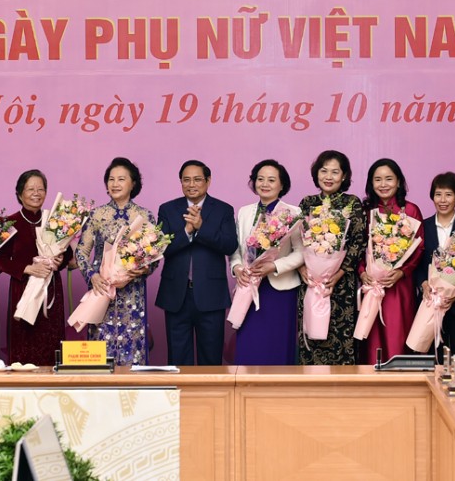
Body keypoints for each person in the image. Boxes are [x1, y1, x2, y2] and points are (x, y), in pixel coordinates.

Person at [155, 160, 238, 366]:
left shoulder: (223, 210)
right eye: (186, 180)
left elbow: (229, 245)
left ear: (208, 181)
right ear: (181, 182)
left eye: (197, 179)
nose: (191, 184)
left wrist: (201, 227)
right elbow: (160, 249)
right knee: (178, 359)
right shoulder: (167, 209)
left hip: (211, 294)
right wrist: (186, 231)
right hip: (176, 294)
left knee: (211, 358)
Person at [75, 158, 157, 365]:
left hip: (132, 293)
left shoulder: (144, 216)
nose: (115, 184)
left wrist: (145, 269)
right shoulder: (97, 215)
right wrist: (92, 276)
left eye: (121, 179)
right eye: (111, 179)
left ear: (133, 183)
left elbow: (154, 256)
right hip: (102, 290)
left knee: (133, 350)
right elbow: (81, 252)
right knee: (101, 353)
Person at [230, 159, 304, 365]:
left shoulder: (294, 213)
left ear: (282, 185)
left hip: (280, 290)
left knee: (277, 346)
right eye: (260, 179)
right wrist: (237, 267)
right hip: (249, 287)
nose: (265, 184)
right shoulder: (244, 212)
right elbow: (235, 249)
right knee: (250, 345)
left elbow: (301, 253)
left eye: (271, 180)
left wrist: (275, 266)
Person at [297, 150, 366, 366]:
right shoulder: (307, 203)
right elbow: (296, 241)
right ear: (316, 174)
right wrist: (301, 269)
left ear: (344, 176)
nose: (328, 176)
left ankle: (342, 386)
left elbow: (358, 242)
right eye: (324, 171)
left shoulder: (352, 203)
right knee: (310, 335)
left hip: (340, 285)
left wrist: (340, 273)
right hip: (310, 282)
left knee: (339, 335)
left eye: (335, 172)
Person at [0, 169, 68, 366]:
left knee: (51, 344)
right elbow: (0, 260)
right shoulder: (9, 223)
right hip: (23, 290)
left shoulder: (55, 221)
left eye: (41, 189)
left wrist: (60, 260)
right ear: (20, 194)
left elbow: (67, 254)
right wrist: (28, 269)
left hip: (51, 291)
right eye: (30, 189)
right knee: (24, 345)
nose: (36, 193)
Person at [360, 158, 425, 363]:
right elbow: (357, 247)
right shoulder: (365, 211)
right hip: (372, 285)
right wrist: (362, 272)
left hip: (399, 286)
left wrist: (402, 272)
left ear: (398, 182)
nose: (383, 184)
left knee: (397, 333)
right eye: (377, 179)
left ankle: (399, 378)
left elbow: (419, 248)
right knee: (372, 338)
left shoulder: (410, 210)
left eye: (389, 179)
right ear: (371, 183)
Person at [415, 171, 455, 365]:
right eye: (438, 194)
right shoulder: (423, 227)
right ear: (432, 197)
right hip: (430, 305)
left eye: (448, 194)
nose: (443, 200)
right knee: (432, 361)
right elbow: (416, 263)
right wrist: (423, 284)